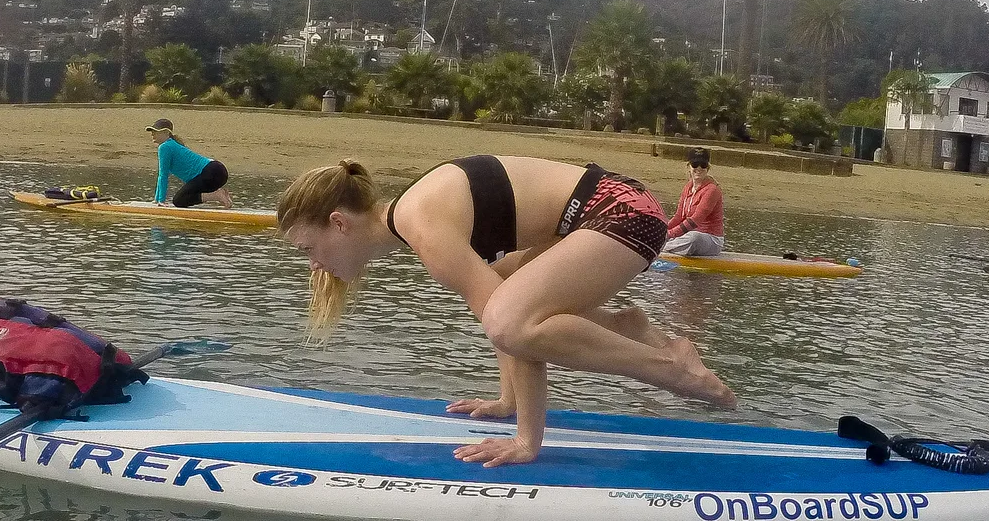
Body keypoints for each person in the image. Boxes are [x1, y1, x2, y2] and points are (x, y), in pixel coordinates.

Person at [275, 155, 735, 468]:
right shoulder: (416, 220)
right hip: (609, 209)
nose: (314, 264)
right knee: (508, 306)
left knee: (510, 320)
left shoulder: (421, 224)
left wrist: (525, 440)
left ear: (338, 223)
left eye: (308, 249)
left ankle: (670, 368)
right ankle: (630, 328)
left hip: (619, 212)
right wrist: (508, 401)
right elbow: (499, 300)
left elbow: (507, 328)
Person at [149, 118, 232, 208]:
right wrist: (156, 200)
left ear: (166, 132)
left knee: (179, 201)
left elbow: (163, 175)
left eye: (156, 131)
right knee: (187, 194)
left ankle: (217, 195)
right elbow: (163, 175)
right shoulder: (172, 145)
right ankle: (220, 194)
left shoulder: (165, 147)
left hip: (212, 173)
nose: (152, 134)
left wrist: (161, 201)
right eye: (152, 131)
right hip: (218, 171)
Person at [660, 148, 725, 259]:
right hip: (687, 235)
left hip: (711, 240)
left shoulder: (712, 190)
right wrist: (662, 231)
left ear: (708, 168)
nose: (699, 168)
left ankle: (660, 247)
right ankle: (664, 245)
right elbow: (678, 217)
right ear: (689, 166)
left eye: (703, 165)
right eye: (695, 164)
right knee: (685, 236)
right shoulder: (687, 187)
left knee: (693, 238)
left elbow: (696, 219)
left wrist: (669, 235)